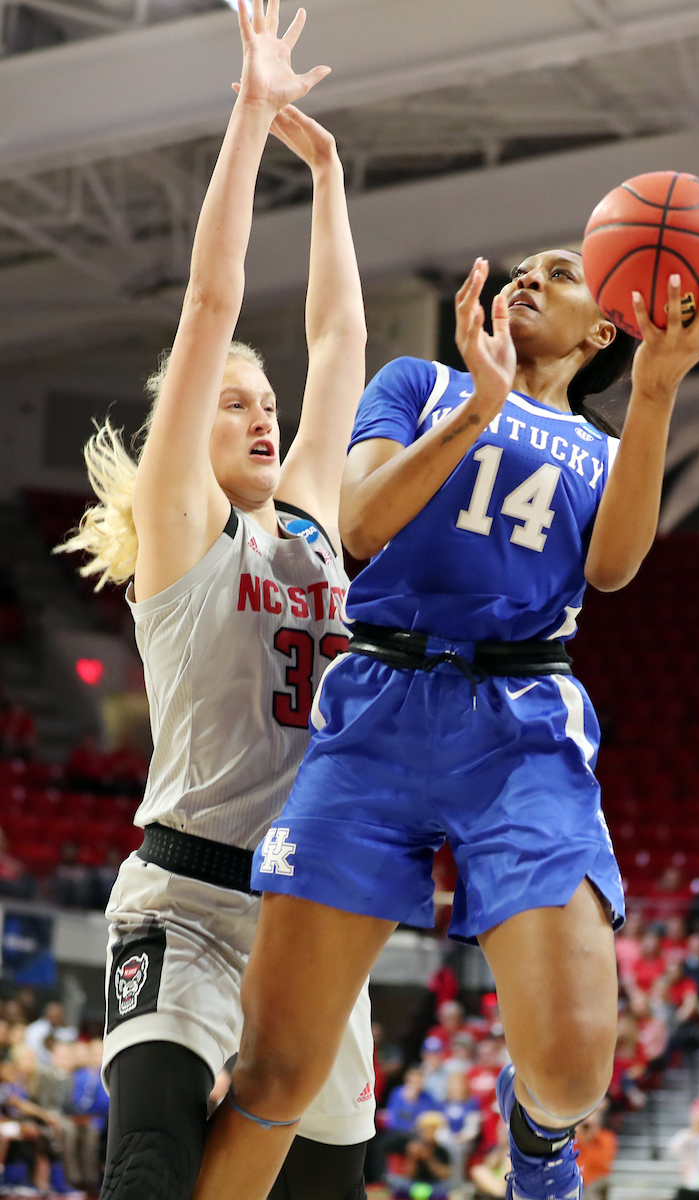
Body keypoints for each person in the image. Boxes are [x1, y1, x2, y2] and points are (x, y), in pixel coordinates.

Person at [191, 242, 699, 1200]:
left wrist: (655, 390)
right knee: (276, 1070)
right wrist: (481, 406)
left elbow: (611, 570)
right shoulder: (419, 384)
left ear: (604, 329)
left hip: (521, 720)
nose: (530, 276)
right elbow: (359, 527)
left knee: (574, 1073)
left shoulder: (611, 447)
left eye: (562, 272)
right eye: (523, 266)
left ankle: (534, 1143)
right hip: (379, 703)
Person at [59, 3, 372, 1198]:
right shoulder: (184, 539)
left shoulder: (307, 527)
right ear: (189, 435)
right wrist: (248, 118)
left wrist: (332, 175)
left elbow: (339, 336)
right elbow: (211, 304)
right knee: (150, 1166)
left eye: (265, 401)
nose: (262, 411)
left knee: (326, 1190)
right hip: (184, 904)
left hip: (310, 922)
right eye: (236, 402)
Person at [574, 1109, 616, 1200]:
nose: (586, 1128)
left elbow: (602, 1164)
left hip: (595, 1183)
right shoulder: (572, 1140)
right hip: (575, 1182)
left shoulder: (606, 1139)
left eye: (590, 1125)